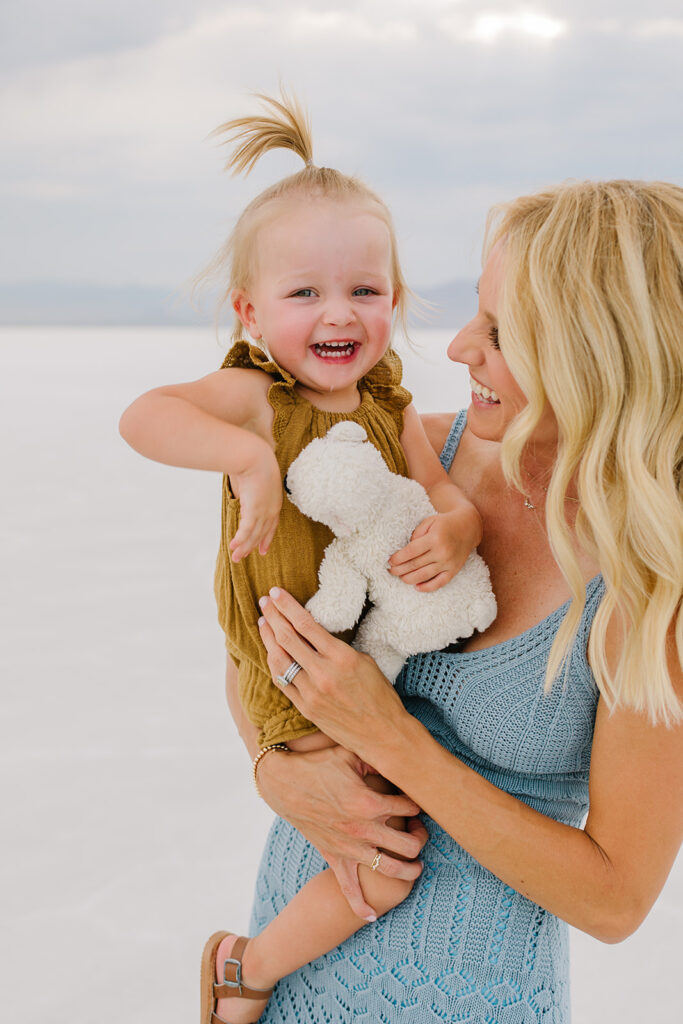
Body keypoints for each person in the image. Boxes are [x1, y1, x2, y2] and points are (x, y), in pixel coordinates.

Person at [241, 179, 682, 1022]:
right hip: (286, 973)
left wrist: (391, 739)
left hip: (467, 1001)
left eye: (500, 333)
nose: (456, 348)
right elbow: (259, 644)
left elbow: (615, 900)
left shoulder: (650, 587)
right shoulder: (408, 458)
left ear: (605, 354)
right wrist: (274, 768)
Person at [119, 94, 484, 1024]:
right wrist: (245, 459)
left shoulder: (387, 402)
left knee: (379, 831)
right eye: (305, 293)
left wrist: (458, 531)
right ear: (248, 310)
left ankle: (265, 953)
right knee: (386, 853)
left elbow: (441, 496)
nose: (340, 314)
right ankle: (244, 973)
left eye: (364, 290)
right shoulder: (252, 396)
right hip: (286, 661)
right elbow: (144, 416)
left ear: (393, 301)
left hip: (350, 651)